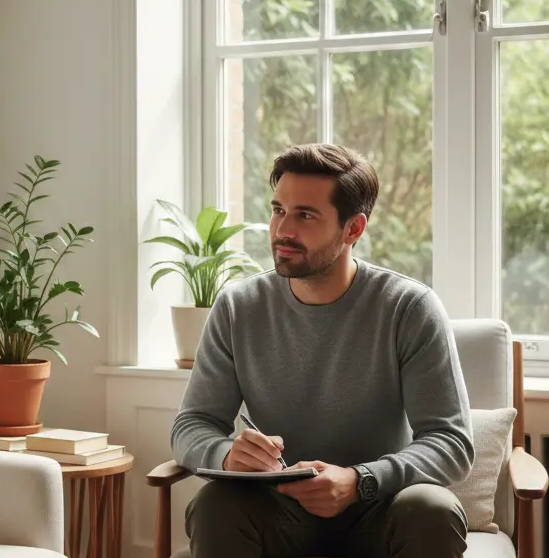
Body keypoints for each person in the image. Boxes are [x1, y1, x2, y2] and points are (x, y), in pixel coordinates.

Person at [172, 143, 475, 558]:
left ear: (353, 229)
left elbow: (450, 441)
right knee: (214, 505)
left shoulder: (409, 308)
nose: (282, 231)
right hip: (279, 513)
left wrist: (360, 481)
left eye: (305, 215)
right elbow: (193, 424)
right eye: (279, 210)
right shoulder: (238, 307)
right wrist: (228, 456)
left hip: (380, 509)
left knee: (431, 507)